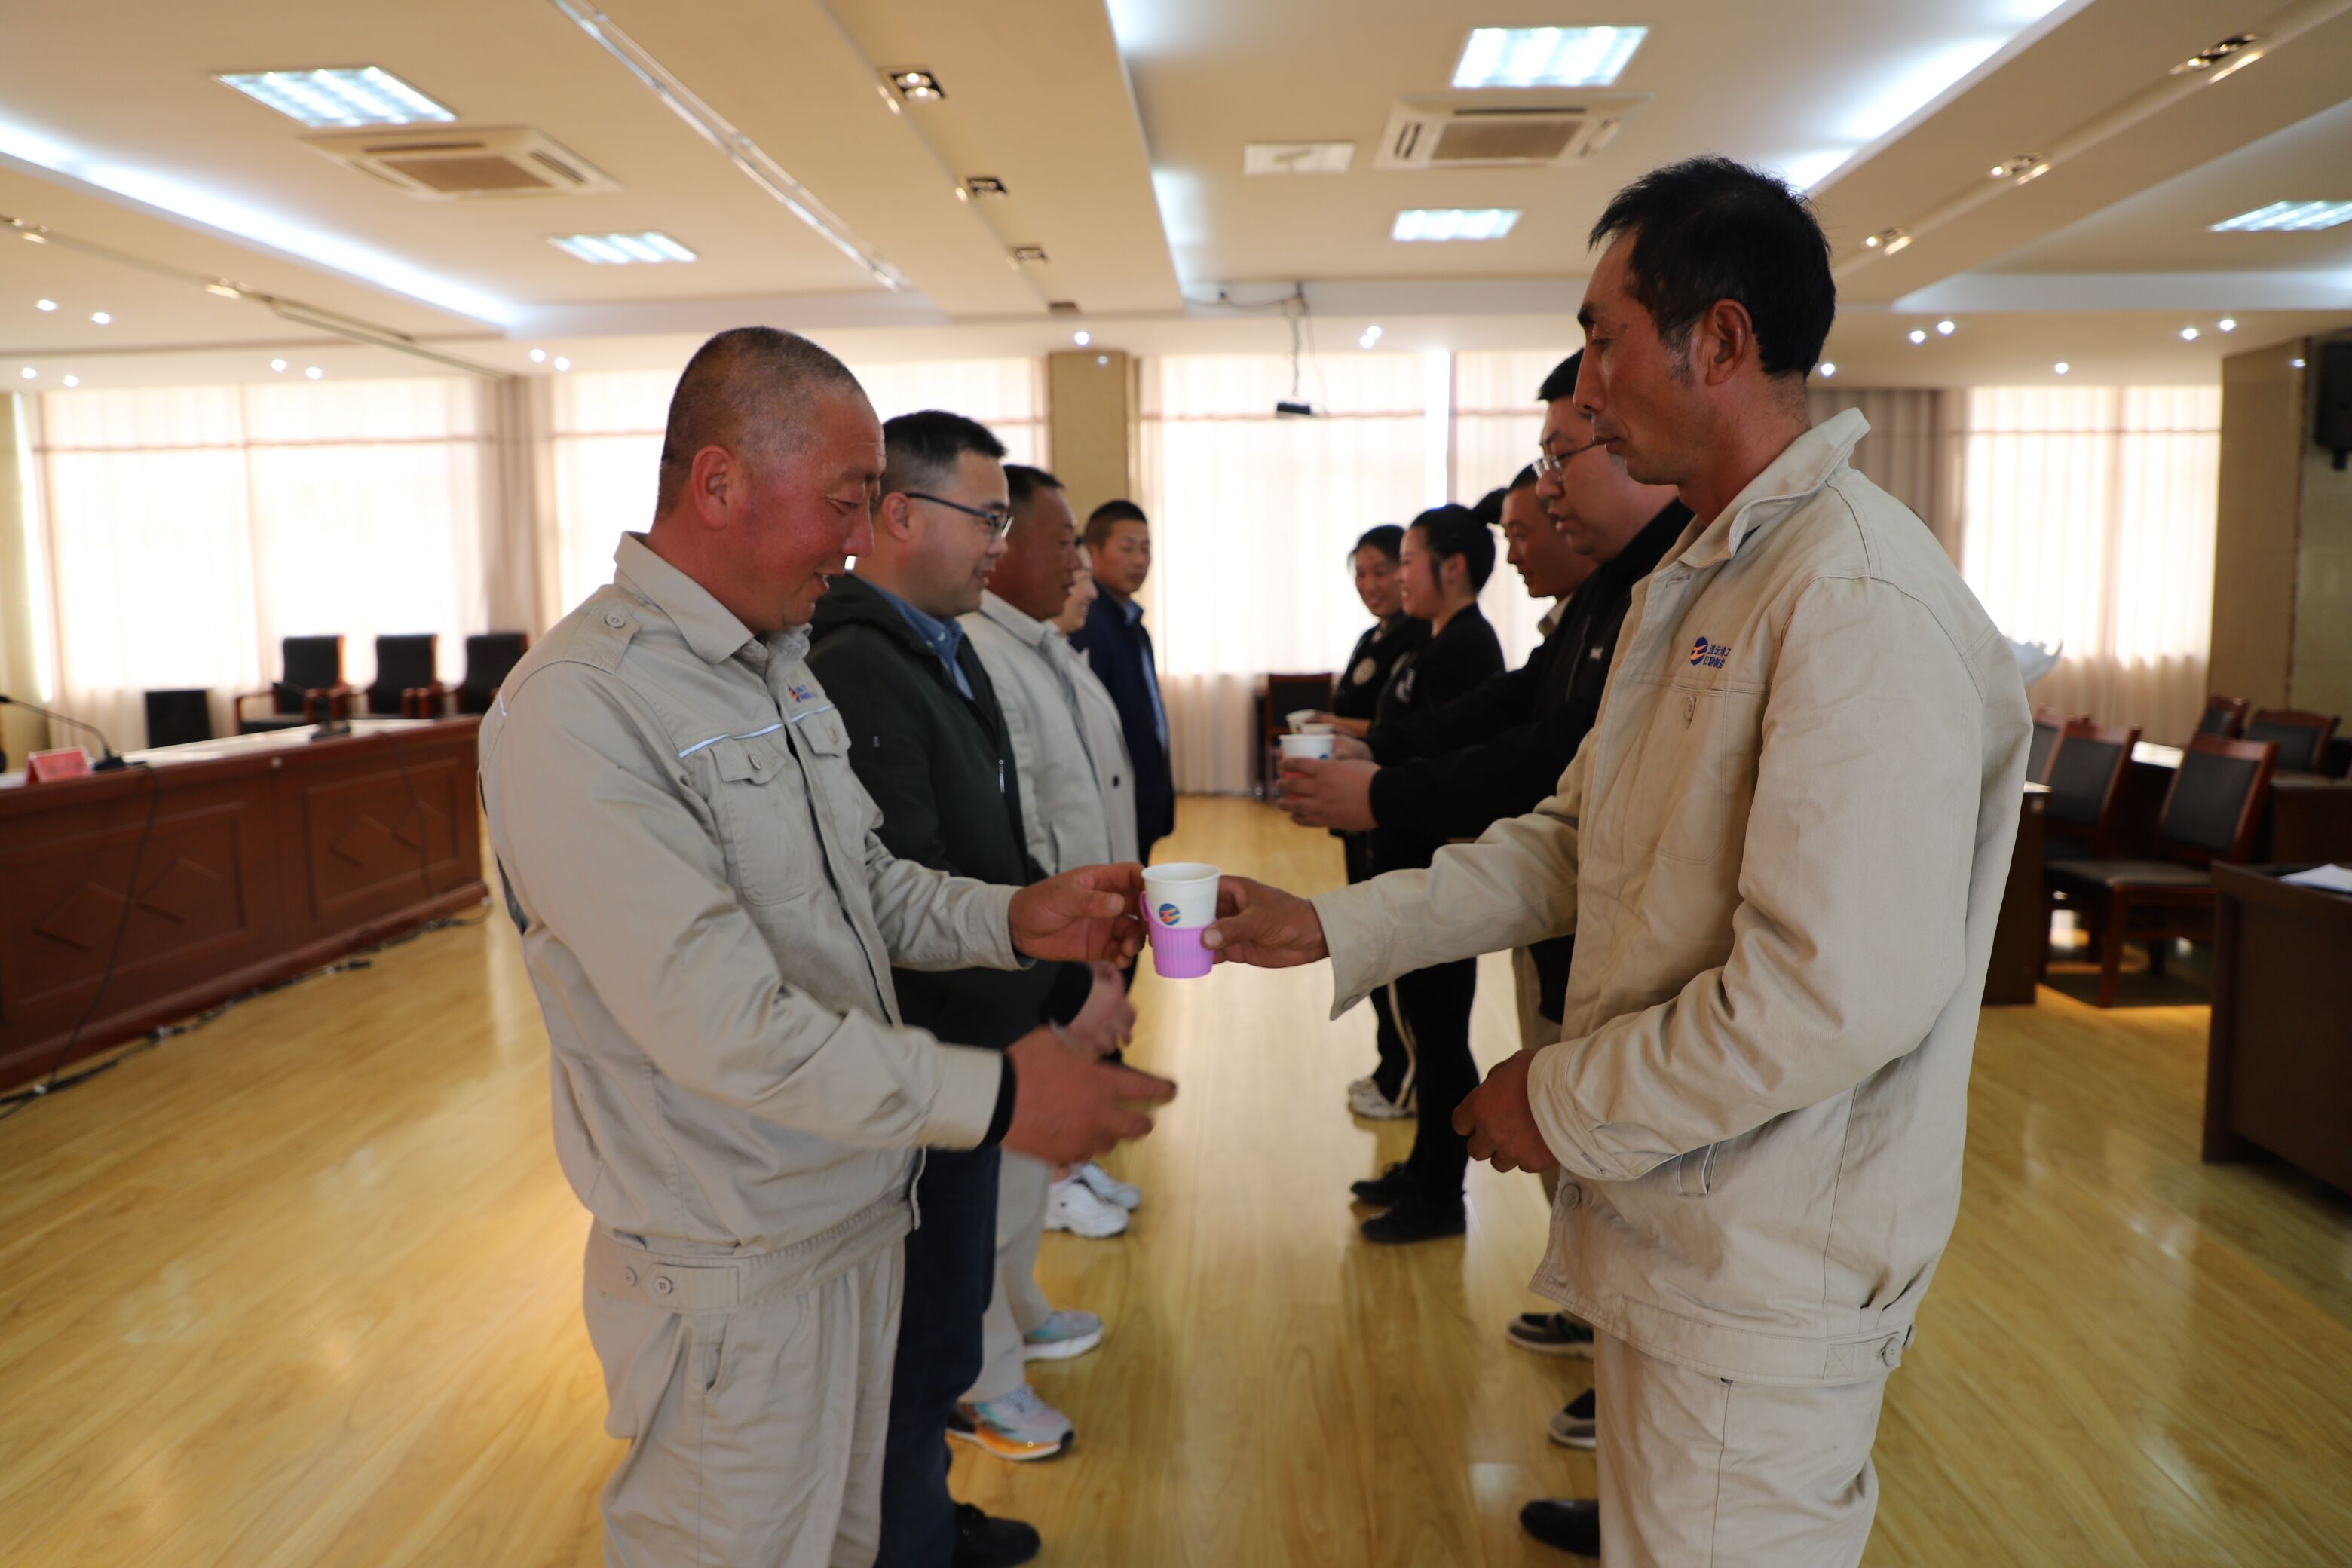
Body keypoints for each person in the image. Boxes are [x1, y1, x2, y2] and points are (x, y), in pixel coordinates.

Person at [1204, 157, 2029, 1565]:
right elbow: (1577, 843)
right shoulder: (1707, 576)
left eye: (1605, 338)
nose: (1586, 390)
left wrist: (1557, 1098)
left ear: (1722, 340)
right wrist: (1339, 930)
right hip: (1679, 1226)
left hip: (1764, 1259)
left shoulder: (1853, 595)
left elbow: (1833, 994)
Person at [479, 327, 1177, 1568]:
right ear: (719, 483)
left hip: (857, 1214)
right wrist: (1003, 1094)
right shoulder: (582, 709)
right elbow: (722, 1026)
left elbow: (866, 886)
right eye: (845, 501)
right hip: (735, 1275)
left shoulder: (777, 668)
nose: (861, 540)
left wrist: (1012, 914)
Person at [807, 412, 1138, 1567]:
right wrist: (1046, 1010)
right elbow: (905, 901)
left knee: (941, 1331)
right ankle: (910, 1542)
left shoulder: (937, 646)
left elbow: (992, 853)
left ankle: (924, 1522)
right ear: (899, 515)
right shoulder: (858, 665)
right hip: (935, 1055)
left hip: (979, 1033)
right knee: (918, 1348)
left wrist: (1058, 957)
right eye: (985, 516)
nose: (998, 542)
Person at [953, 464, 1145, 1464]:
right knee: (1000, 1169)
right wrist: (1072, 961)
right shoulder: (984, 653)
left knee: (1031, 1164)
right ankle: (985, 1379)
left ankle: (1019, 1306)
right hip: (1032, 954)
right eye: (1062, 540)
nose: (1078, 561)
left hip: (1077, 944)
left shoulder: (1039, 646)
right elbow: (1017, 836)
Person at [1343, 503, 1505, 1245]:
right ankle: (1424, 1168)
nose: (1398, 577)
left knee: (1440, 1037)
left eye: (1406, 562)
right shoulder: (1433, 642)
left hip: (1437, 875)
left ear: (1454, 568)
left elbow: (1455, 767)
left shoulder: (1467, 648)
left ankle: (1442, 1195)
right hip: (1408, 868)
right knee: (1426, 1029)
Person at [1325, 525, 1427, 1121]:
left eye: (1381, 571)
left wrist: (1336, 727)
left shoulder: (1419, 638)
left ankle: (1404, 1080)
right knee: (1371, 946)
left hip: (1389, 810)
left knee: (1394, 952)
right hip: (1359, 816)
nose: (1369, 585)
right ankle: (1391, 1066)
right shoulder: (1374, 637)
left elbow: (1401, 730)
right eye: (1360, 574)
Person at [1070, 500, 1175, 864]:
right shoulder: (1088, 624)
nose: (1140, 560)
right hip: (1115, 804)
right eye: (1127, 548)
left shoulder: (1134, 625)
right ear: (1093, 552)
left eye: (1146, 549)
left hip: (1142, 798)